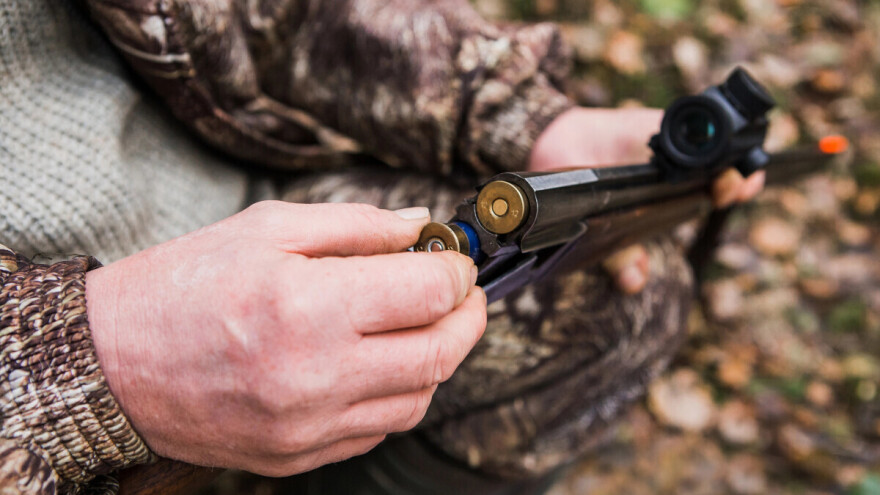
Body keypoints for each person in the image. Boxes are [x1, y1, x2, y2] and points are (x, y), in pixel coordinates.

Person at [0, 0, 764, 493]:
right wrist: (86, 365)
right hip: (54, 381)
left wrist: (535, 122)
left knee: (618, 301)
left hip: (256, 175)